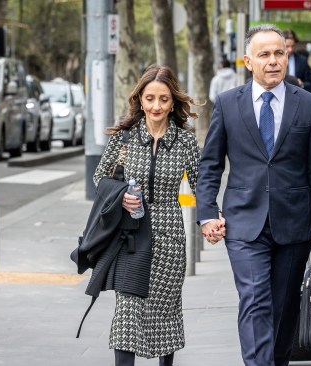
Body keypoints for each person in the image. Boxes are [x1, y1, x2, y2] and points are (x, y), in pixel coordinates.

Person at [196, 24, 311, 366]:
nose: (273, 61)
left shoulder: (308, 104)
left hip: (295, 223)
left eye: (279, 53)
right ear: (248, 61)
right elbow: (211, 164)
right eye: (264, 54)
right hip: (244, 223)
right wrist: (207, 212)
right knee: (255, 300)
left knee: (285, 308)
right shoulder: (229, 104)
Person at [93, 65, 218, 366]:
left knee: (164, 311)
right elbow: (100, 177)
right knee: (127, 312)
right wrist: (121, 197)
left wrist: (210, 219)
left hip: (169, 235)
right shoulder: (124, 137)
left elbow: (201, 184)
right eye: (150, 98)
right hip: (130, 236)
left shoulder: (185, 140)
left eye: (163, 99)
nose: (156, 106)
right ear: (140, 99)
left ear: (173, 102)